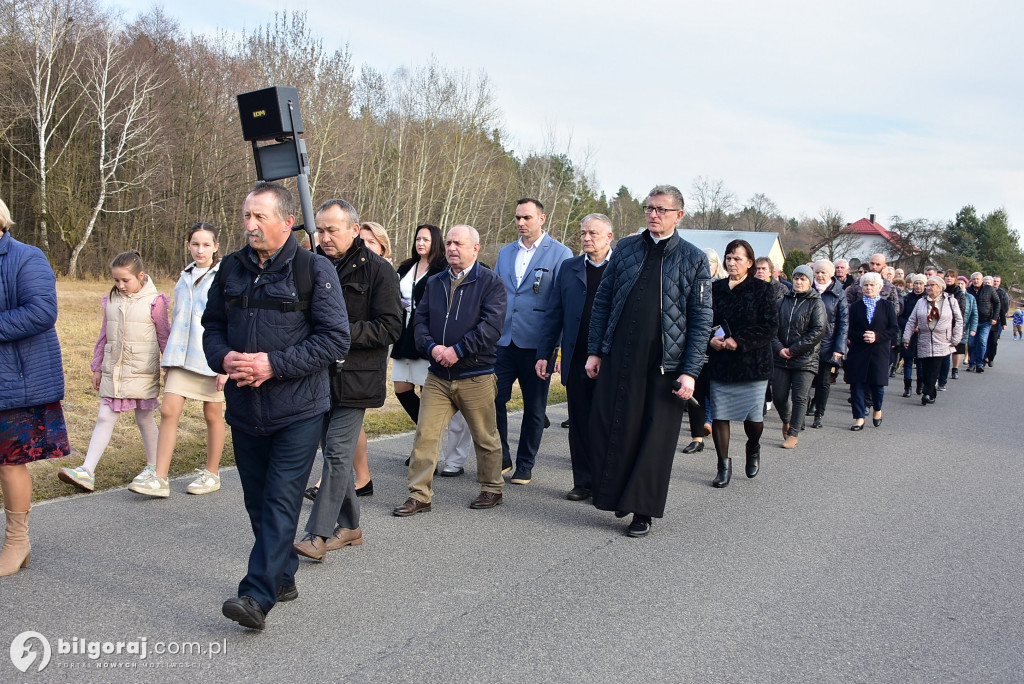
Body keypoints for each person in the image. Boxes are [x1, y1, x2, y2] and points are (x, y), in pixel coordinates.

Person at [203, 181, 350, 630]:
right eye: (246, 216)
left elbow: (334, 338)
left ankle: (256, 595)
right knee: (256, 502)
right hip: (245, 408)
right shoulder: (230, 268)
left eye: (259, 217)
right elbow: (211, 328)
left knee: (282, 499)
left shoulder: (313, 270)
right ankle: (282, 575)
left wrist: (274, 365)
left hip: (299, 410)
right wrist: (222, 356)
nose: (250, 225)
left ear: (287, 221)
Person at [586, 185, 713, 537]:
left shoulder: (693, 258)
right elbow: (603, 302)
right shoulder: (626, 249)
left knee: (654, 438)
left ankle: (642, 510)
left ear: (678, 215)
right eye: (649, 208)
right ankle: (617, 495)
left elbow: (701, 320)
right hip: (620, 356)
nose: (653, 214)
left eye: (661, 209)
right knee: (608, 426)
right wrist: (595, 350)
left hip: (665, 365)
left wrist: (690, 372)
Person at [293, 199, 401, 562]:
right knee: (333, 454)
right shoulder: (310, 265)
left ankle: (317, 534)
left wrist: (340, 332)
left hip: (356, 380)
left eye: (331, 230)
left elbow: (391, 326)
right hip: (316, 375)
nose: (323, 237)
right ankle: (352, 526)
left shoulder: (378, 271)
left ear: (354, 229)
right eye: (319, 230)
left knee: (338, 453)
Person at [393, 224, 508, 517]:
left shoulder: (491, 283)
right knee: (425, 436)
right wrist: (432, 348)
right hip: (438, 376)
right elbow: (420, 321)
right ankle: (419, 496)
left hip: (475, 374)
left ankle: (492, 488)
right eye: (449, 243)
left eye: (459, 243)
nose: (452, 248)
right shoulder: (435, 282)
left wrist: (456, 351)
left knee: (485, 436)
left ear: (475, 249)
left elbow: (491, 327)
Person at [58, 252, 169, 492]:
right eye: (116, 280)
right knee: (105, 416)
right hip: (114, 370)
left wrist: (169, 368)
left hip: (142, 371)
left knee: (144, 418)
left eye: (125, 281)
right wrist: (97, 366)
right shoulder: (111, 299)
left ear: (140, 276)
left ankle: (155, 467)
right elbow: (103, 336)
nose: (120, 285)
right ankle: (87, 471)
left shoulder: (155, 302)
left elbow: (164, 337)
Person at [129, 223, 226, 498]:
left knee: (212, 414)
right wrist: (169, 358)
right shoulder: (183, 277)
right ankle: (159, 477)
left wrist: (225, 367)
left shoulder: (222, 276)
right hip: (180, 357)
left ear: (216, 247)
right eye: (195, 244)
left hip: (210, 357)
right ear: (188, 245)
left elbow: (228, 320)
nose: (201, 250)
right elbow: (178, 319)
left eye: (206, 244)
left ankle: (212, 473)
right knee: (169, 410)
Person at [0, 199, 70, 576]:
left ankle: (16, 541)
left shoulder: (27, 258)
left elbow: (42, 311)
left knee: (10, 464)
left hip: (15, 379)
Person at [493, 198, 572, 485]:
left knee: (535, 407)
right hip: (503, 341)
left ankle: (525, 463)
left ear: (542, 218)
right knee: (492, 400)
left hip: (539, 345)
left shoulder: (561, 254)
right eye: (517, 218)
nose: (520, 223)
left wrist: (555, 348)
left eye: (526, 217)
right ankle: (501, 455)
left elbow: (563, 303)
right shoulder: (505, 253)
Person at [536, 213, 614, 501]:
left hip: (610, 360)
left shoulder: (621, 268)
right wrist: (546, 352)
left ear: (609, 237)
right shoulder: (568, 268)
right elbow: (554, 313)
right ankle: (582, 482)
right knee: (579, 422)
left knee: (605, 422)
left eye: (593, 233)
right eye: (583, 233)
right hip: (576, 356)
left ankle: (606, 482)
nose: (586, 238)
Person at [387, 224, 473, 478]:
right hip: (404, 335)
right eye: (417, 238)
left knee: (430, 396)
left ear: (435, 242)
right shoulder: (405, 267)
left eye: (425, 239)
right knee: (401, 387)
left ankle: (427, 450)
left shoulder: (441, 271)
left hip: (428, 336)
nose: (420, 243)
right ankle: (425, 440)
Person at [705, 239, 778, 489]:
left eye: (737, 258)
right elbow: (702, 321)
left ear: (749, 262)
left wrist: (740, 340)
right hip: (721, 363)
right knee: (720, 416)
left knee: (753, 418)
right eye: (728, 257)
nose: (731, 262)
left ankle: (753, 446)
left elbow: (769, 327)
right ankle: (723, 464)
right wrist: (709, 341)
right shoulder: (714, 289)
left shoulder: (763, 290)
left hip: (752, 364)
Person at [771, 265, 825, 449]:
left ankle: (793, 433)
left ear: (810, 281)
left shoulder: (816, 303)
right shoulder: (781, 301)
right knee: (778, 395)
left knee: (800, 398)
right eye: (796, 278)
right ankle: (786, 420)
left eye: (803, 279)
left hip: (805, 359)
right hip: (781, 357)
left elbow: (817, 330)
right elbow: (772, 329)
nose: (799, 282)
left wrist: (794, 349)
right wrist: (779, 349)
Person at [846, 272, 899, 430]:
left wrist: (877, 336)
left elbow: (893, 329)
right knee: (857, 385)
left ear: (880, 287)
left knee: (877, 386)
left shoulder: (887, 306)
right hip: (858, 351)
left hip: (879, 351)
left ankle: (877, 409)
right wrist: (862, 336)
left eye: (872, 285)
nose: (868, 288)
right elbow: (849, 330)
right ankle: (859, 417)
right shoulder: (855, 307)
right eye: (865, 285)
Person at [903, 276, 962, 405]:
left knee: (934, 366)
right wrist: (906, 337)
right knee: (925, 367)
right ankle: (931, 391)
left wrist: (956, 338)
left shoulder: (950, 301)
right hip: (924, 338)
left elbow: (958, 320)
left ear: (940, 287)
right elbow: (912, 320)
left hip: (943, 339)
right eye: (927, 285)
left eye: (932, 285)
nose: (928, 288)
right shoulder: (921, 302)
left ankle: (926, 393)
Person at [806, 260, 848, 429]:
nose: (820, 275)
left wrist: (839, 348)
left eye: (823, 272)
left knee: (823, 381)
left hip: (828, 343)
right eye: (817, 272)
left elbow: (843, 322)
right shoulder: (808, 289)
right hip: (808, 343)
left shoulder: (839, 293)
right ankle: (802, 411)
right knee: (806, 380)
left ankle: (819, 413)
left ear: (830, 274)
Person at [937, 269, 968, 390]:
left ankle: (942, 381)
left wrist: (956, 330)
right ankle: (934, 378)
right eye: (947, 276)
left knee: (945, 356)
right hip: (937, 326)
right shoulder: (939, 290)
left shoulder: (959, 294)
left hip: (951, 327)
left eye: (951, 277)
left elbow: (960, 313)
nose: (949, 278)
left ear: (955, 279)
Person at [964, 272, 1000, 372]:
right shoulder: (968, 291)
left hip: (985, 321)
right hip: (971, 322)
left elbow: (997, 303)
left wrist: (994, 317)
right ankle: (972, 363)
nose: (976, 281)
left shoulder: (989, 289)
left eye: (978, 279)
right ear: (971, 280)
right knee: (971, 343)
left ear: (982, 280)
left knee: (982, 342)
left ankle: (980, 363)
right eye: (974, 279)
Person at [898, 275, 927, 397]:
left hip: (923, 334)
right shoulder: (906, 299)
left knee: (920, 362)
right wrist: (910, 326)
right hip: (909, 333)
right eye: (916, 283)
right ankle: (907, 387)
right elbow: (899, 317)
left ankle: (920, 384)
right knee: (908, 360)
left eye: (921, 283)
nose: (918, 286)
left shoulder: (927, 299)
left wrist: (921, 326)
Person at [986, 275, 1010, 366]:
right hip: (986, 319)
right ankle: (984, 357)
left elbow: (1004, 308)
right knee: (985, 340)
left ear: (999, 283)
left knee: (994, 341)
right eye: (994, 281)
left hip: (997, 320)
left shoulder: (1002, 293)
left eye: (997, 281)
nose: (995, 283)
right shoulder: (985, 291)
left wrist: (1003, 322)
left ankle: (991, 357)